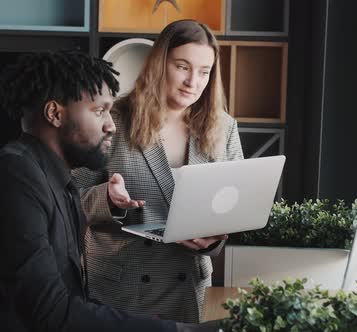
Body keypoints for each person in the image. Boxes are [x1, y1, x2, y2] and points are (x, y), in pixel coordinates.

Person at [0, 50, 215, 332]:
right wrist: (179, 331)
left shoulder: (51, 178)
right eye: (99, 111)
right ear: (55, 114)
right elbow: (51, 314)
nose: (110, 126)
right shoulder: (11, 179)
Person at [73, 19, 244, 323]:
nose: (193, 81)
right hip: (120, 291)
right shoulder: (115, 120)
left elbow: (233, 207)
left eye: (204, 72)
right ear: (159, 64)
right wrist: (108, 199)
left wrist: (215, 237)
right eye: (182, 66)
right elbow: (70, 199)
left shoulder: (225, 127)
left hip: (186, 288)